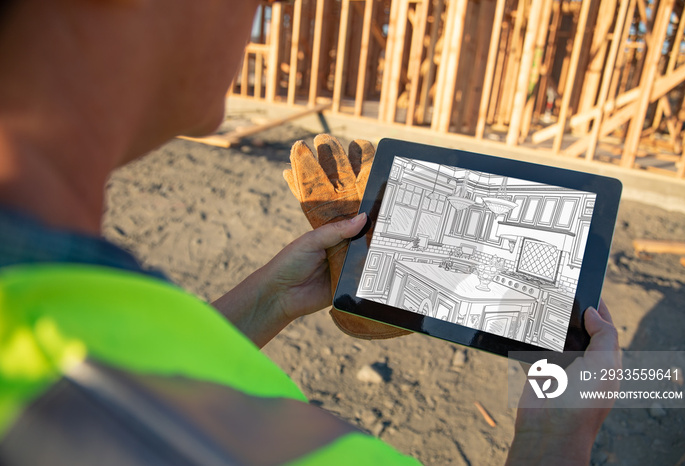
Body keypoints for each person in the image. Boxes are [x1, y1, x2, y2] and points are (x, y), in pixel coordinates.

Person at [0, 0, 620, 464]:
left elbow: (142, 357)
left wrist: (272, 297)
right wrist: (553, 437)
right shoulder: (175, 436)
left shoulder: (48, 310)